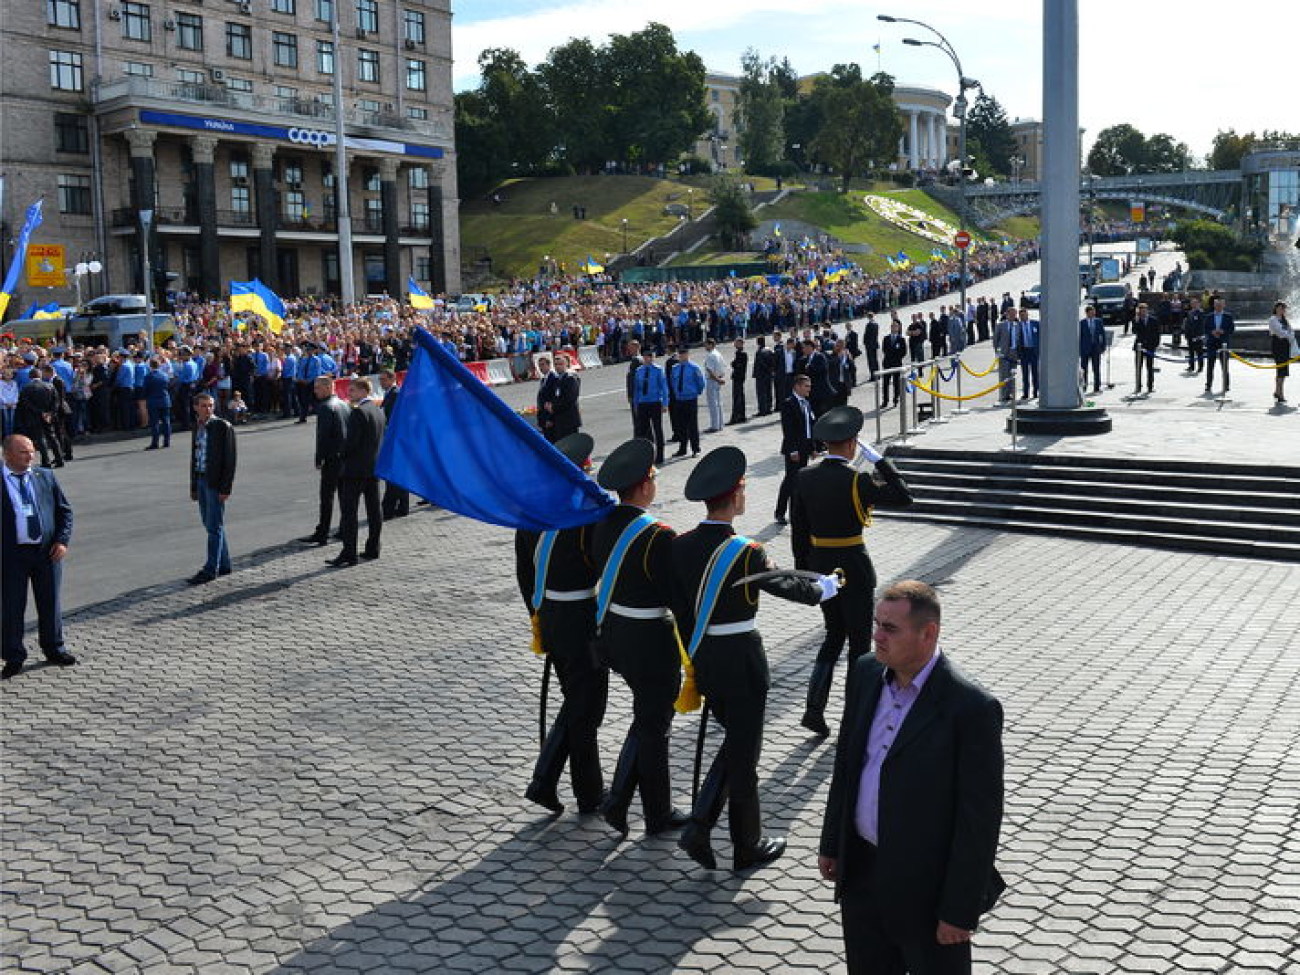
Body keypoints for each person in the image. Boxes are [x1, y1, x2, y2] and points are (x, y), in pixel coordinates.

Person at [819, 580, 1006, 975]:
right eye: (876, 624)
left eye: (890, 628)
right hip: (863, 876)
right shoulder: (866, 672)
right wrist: (833, 841)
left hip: (929, 891)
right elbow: (847, 764)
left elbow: (979, 821)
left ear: (928, 633)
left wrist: (959, 910)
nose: (877, 636)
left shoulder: (970, 707)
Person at [672, 446, 838, 873]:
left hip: (704, 657)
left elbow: (677, 602)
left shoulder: (680, 545)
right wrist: (826, 588)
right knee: (745, 755)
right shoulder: (745, 549)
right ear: (738, 493)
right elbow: (789, 587)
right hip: (742, 660)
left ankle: (700, 825)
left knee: (736, 743)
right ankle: (747, 843)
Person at [791, 407, 913, 738]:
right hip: (854, 565)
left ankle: (814, 709)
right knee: (859, 643)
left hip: (819, 566)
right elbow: (904, 497)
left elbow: (798, 534)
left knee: (833, 634)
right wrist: (881, 462)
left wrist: (806, 576)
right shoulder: (857, 480)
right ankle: (855, 717)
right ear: (852, 444)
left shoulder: (804, 477)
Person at [591, 438, 689, 838]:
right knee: (655, 724)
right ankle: (653, 812)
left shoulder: (602, 521)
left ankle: (623, 802)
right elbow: (675, 595)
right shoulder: (658, 535)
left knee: (647, 718)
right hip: (650, 639)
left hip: (614, 633)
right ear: (645, 484)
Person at [515, 432, 608, 817]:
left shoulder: (531, 517)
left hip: (549, 617)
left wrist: (538, 619)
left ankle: (571, 787)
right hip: (581, 620)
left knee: (579, 701)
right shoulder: (585, 517)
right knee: (588, 705)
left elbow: (524, 574)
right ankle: (559, 783)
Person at [2, 434, 76, 680]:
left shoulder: (44, 476)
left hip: (46, 552)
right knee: (12, 606)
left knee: (50, 602)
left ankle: (54, 648)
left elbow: (64, 512)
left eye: (32, 451)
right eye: (23, 452)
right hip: (12, 556)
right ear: (7, 454)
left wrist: (62, 541)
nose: (30, 456)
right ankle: (13, 656)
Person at [328, 378, 386, 567]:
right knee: (374, 509)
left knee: (349, 512)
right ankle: (373, 547)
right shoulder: (377, 410)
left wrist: (340, 454)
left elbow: (351, 443)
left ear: (363, 391)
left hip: (355, 469)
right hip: (373, 467)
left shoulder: (358, 412)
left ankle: (349, 552)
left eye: (352, 390)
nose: (349, 394)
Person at [188, 392, 236, 585]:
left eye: (210, 406)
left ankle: (210, 569)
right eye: (204, 406)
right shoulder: (197, 428)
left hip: (215, 483)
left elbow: (230, 460)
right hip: (201, 479)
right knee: (210, 524)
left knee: (214, 526)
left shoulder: (222, 427)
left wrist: (226, 488)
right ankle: (223, 564)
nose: (208, 409)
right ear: (195, 407)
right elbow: (194, 458)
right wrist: (193, 485)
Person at [302, 376, 350, 546]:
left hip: (331, 458)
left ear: (328, 387)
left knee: (327, 497)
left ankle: (323, 531)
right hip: (344, 457)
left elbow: (322, 436)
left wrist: (319, 458)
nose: (315, 391)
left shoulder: (325, 407)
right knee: (344, 497)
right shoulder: (344, 404)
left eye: (318, 388)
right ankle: (345, 529)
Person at [774, 374, 815, 525]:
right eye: (806, 386)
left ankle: (797, 512)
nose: (809, 389)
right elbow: (788, 430)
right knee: (791, 481)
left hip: (804, 449)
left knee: (800, 481)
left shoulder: (806, 403)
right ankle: (781, 512)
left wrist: (812, 448)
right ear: (797, 387)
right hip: (794, 450)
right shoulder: (788, 404)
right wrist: (792, 451)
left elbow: (809, 428)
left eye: (809, 386)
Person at [15, 369, 63, 468]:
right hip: (48, 416)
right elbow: (56, 401)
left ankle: (46, 461)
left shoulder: (27, 388)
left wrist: (40, 412)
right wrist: (50, 413)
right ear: (40, 376)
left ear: (30, 377)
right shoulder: (49, 386)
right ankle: (59, 458)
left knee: (40, 438)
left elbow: (25, 404)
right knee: (52, 436)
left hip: (34, 416)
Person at [378, 370, 410, 519]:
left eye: (383, 380)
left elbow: (396, 418)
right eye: (380, 380)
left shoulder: (396, 394)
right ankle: (403, 506)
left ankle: (388, 508)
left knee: (393, 475)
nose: (381, 383)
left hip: (396, 440)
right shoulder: (389, 394)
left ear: (392, 379)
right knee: (399, 474)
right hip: (394, 439)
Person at [631, 350, 668, 465]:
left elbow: (664, 388)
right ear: (643, 358)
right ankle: (645, 454)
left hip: (655, 402)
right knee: (643, 430)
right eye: (647, 357)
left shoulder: (658, 370)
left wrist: (665, 403)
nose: (649, 359)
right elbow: (637, 389)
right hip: (643, 403)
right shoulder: (639, 371)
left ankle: (660, 456)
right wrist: (636, 404)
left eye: (651, 356)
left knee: (657, 429)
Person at [669, 346, 705, 458]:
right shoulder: (675, 368)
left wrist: (696, 392)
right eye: (680, 354)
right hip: (679, 400)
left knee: (692, 425)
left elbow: (701, 382)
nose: (682, 356)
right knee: (681, 426)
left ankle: (695, 448)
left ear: (688, 354)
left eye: (684, 354)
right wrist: (676, 394)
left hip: (690, 399)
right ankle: (682, 448)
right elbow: (672, 382)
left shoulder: (694, 367)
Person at [1204, 296, 1234, 394]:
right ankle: (1208, 385)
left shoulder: (1228, 316)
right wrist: (1212, 332)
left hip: (1223, 343)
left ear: (1224, 305)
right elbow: (1205, 328)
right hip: (1212, 342)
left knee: (1224, 365)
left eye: (1220, 305)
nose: (1218, 307)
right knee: (1210, 365)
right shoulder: (1209, 316)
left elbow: (1232, 329)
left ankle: (1226, 385)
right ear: (1214, 306)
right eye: (1217, 305)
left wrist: (1223, 331)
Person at [549, 352, 582, 440]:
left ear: (566, 364)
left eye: (560, 364)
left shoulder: (570, 378)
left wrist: (554, 407)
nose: (558, 366)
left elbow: (570, 399)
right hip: (560, 419)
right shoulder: (557, 379)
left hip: (569, 419)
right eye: (556, 364)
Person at [142, 357, 173, 449]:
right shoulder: (164, 375)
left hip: (153, 401)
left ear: (150, 366)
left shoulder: (148, 376)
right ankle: (167, 441)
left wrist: (145, 396)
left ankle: (155, 443)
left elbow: (145, 389)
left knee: (154, 422)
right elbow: (168, 385)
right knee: (166, 421)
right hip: (164, 399)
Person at [1267, 301, 1294, 405]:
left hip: (1285, 346)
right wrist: (1288, 335)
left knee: (1283, 370)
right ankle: (1280, 393)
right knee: (1280, 369)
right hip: (1278, 345)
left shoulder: (1285, 320)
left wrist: (1289, 335)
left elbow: (1290, 331)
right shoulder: (1273, 319)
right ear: (1276, 309)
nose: (1282, 310)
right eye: (1280, 308)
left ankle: (1277, 391)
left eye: (1283, 308)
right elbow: (1280, 333)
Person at [1131, 302, 1160, 394]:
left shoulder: (1153, 320)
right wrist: (1136, 320)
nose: (1143, 312)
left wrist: (1155, 345)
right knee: (1138, 367)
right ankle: (1138, 386)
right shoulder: (1136, 320)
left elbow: (1157, 333)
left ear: (1147, 310)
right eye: (1141, 311)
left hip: (1150, 346)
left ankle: (1150, 386)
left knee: (1150, 367)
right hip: (1140, 347)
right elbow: (1134, 331)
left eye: (1144, 310)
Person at [1078, 304, 1107, 395]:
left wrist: (1103, 346)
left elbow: (1103, 334)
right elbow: (1079, 337)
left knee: (1096, 368)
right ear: (1086, 313)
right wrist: (1079, 349)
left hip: (1096, 348)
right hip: (1085, 348)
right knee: (1084, 368)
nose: (1092, 314)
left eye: (1093, 312)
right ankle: (1084, 385)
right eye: (1090, 312)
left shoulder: (1098, 321)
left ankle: (1097, 386)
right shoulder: (1082, 323)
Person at [1013, 309, 1040, 400]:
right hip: (1024, 352)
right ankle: (1025, 393)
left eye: (1024, 315)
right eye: (1021, 316)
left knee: (1035, 373)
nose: (1023, 317)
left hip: (1034, 351)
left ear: (1027, 315)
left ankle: (1036, 391)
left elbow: (1040, 336)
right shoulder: (1018, 326)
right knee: (1025, 374)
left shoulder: (1035, 324)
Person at [880, 320, 906, 409]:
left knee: (896, 383)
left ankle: (895, 399)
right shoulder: (886, 338)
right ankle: (885, 401)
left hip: (897, 363)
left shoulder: (901, 339)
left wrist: (896, 357)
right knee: (885, 383)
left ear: (898, 328)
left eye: (896, 326)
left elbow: (904, 351)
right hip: (887, 363)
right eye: (892, 326)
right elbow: (884, 349)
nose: (894, 328)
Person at [702, 339, 726, 433]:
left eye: (706, 345)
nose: (705, 347)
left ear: (711, 345)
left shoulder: (711, 355)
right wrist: (720, 378)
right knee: (719, 403)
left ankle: (714, 425)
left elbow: (710, 371)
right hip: (718, 378)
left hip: (712, 380)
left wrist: (717, 379)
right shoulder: (718, 354)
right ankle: (720, 424)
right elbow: (723, 366)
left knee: (713, 404)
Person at [752, 336, 776, 416]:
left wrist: (755, 374)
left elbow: (760, 364)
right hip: (769, 374)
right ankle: (769, 408)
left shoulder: (759, 352)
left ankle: (762, 410)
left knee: (761, 393)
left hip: (761, 375)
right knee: (769, 391)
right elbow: (773, 362)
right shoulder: (770, 350)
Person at [1183, 295, 1206, 374]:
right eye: (1192, 303)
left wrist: (1199, 335)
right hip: (1190, 336)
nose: (1193, 305)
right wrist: (1186, 334)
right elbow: (1188, 324)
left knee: (1199, 352)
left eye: (1195, 303)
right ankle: (1191, 366)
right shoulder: (1190, 312)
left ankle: (1200, 367)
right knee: (1191, 352)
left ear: (1198, 304)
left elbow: (1201, 325)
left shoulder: (1201, 312)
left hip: (1198, 336)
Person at [728, 338, 748, 424]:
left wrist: (733, 364)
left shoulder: (741, 354)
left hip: (738, 377)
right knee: (739, 396)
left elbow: (737, 365)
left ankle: (736, 416)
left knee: (737, 397)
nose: (734, 344)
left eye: (736, 343)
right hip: (739, 377)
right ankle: (741, 415)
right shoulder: (739, 353)